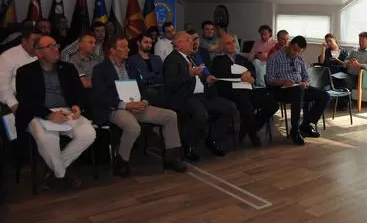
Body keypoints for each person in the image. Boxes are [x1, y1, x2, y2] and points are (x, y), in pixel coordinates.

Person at [91, 36, 187, 176]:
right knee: (133, 127)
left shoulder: (131, 66)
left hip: (137, 106)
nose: (128, 49)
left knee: (170, 116)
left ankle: (172, 158)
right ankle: (122, 161)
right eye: (123, 47)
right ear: (112, 50)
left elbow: (143, 88)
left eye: (127, 46)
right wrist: (125, 105)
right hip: (116, 108)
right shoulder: (100, 69)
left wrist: (145, 102)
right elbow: (101, 96)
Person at [15, 36, 96, 189]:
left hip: (66, 111)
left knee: (88, 133)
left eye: (56, 45)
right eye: (50, 46)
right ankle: (61, 173)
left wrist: (77, 106)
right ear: (39, 52)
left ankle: (54, 170)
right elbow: (25, 101)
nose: (56, 49)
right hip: (39, 114)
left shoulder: (68, 68)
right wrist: (48, 114)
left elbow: (79, 93)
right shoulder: (25, 72)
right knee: (48, 139)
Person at [163, 32, 236, 160]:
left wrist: (206, 80)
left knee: (229, 107)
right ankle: (189, 145)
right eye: (188, 40)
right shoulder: (172, 60)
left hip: (202, 95)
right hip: (185, 97)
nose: (192, 42)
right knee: (201, 114)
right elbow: (171, 84)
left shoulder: (190, 57)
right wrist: (189, 75)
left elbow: (198, 78)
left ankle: (213, 139)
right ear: (178, 44)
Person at [211, 34, 278, 147]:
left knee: (272, 103)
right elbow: (223, 76)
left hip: (247, 90)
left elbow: (251, 69)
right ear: (222, 46)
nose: (232, 45)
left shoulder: (241, 58)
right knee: (246, 104)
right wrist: (243, 75)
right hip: (230, 91)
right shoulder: (218, 60)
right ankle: (252, 134)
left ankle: (249, 127)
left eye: (233, 42)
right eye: (228, 43)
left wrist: (250, 75)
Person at [266, 36, 331, 145]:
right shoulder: (275, 57)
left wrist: (305, 82)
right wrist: (283, 82)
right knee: (298, 91)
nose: (295, 53)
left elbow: (306, 76)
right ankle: (295, 130)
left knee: (325, 96)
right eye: (294, 50)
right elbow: (269, 79)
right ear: (290, 44)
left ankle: (305, 125)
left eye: (299, 51)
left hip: (298, 87)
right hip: (281, 89)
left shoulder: (299, 59)